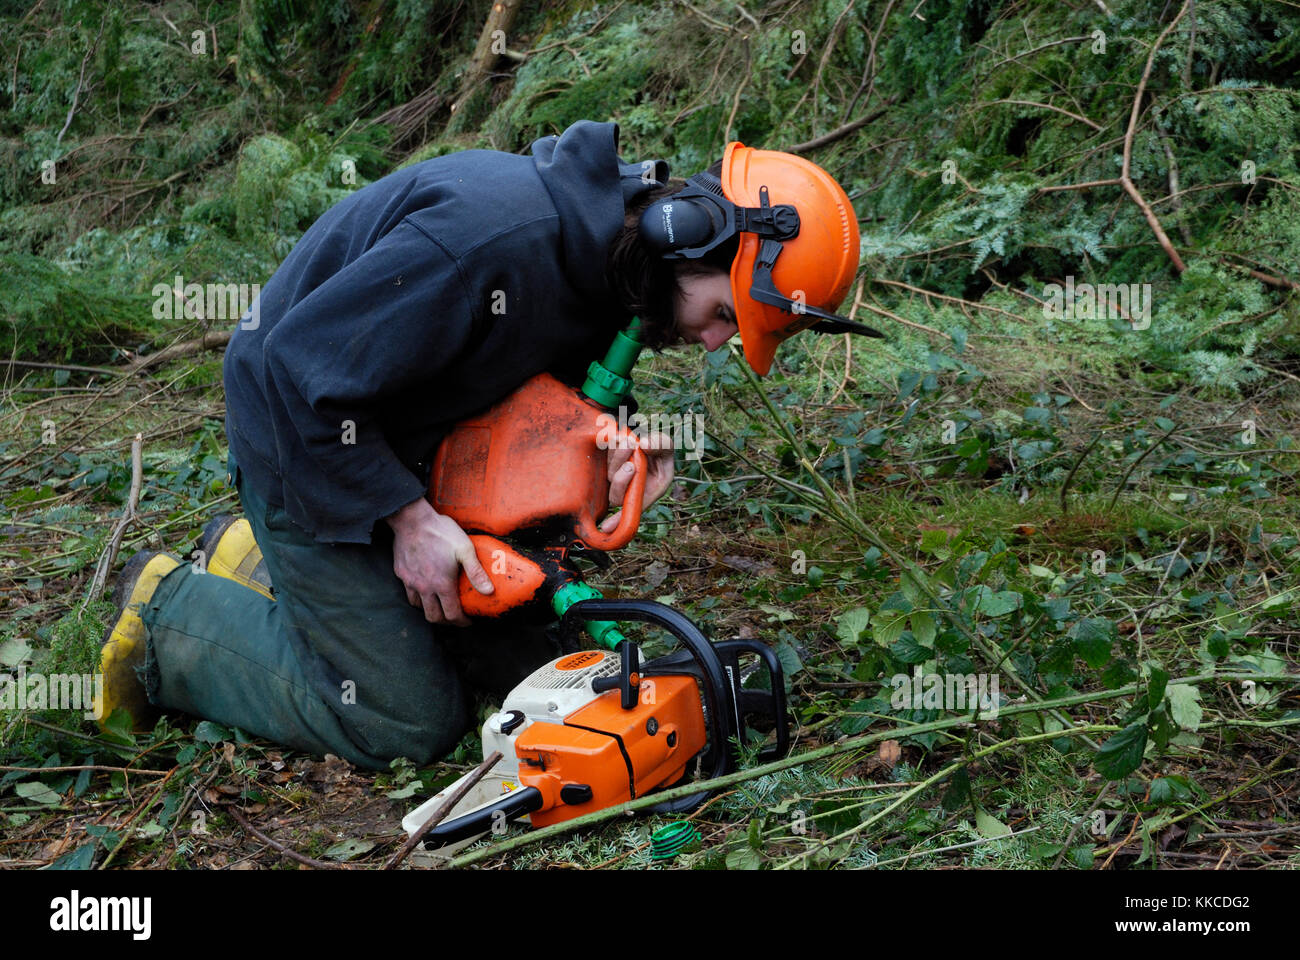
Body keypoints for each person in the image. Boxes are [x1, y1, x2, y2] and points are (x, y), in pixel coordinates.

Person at [94, 120, 878, 770]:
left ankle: (256, 565)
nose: (714, 343)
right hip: (304, 443)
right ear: (690, 235)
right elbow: (294, 369)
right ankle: (173, 614)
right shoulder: (485, 244)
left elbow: (534, 396)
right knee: (407, 721)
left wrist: (597, 454)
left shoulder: (621, 268)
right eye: (725, 317)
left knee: (533, 683)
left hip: (417, 442)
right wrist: (407, 520)